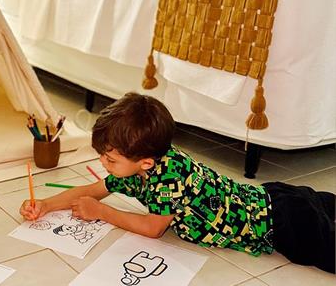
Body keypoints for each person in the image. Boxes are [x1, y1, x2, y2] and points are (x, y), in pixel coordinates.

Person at [19, 93, 336, 274]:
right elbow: (91, 191)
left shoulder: (168, 177)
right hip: (277, 197)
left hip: (282, 223)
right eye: (102, 155)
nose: (103, 163)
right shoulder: (143, 163)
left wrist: (102, 212)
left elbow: (153, 228)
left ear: (145, 162)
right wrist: (45, 205)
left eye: (110, 159)